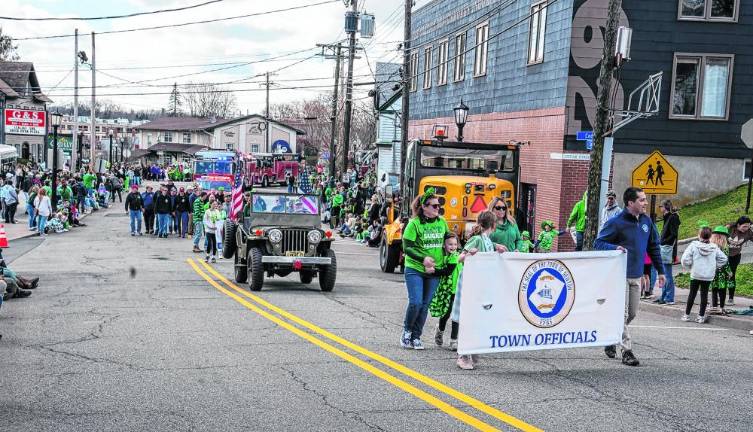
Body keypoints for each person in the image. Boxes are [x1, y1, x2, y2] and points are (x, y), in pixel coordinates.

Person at [595, 187, 665, 367]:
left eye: (645, 199)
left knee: (632, 314)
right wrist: (614, 248)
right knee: (622, 313)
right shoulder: (616, 222)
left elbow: (654, 247)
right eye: (641, 200)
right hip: (619, 276)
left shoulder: (646, 222)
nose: (645, 203)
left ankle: (610, 338)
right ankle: (627, 351)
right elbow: (599, 242)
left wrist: (661, 271)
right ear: (630, 203)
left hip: (637, 275)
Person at [451, 211, 505, 370]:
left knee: (478, 318)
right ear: (493, 225)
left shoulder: (488, 240)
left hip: (481, 283)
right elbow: (459, 258)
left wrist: (497, 249)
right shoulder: (476, 239)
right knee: (468, 317)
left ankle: (472, 349)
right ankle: (463, 354)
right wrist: (469, 253)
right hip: (470, 282)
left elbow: (489, 253)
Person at [400, 188, 448, 350]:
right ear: (424, 207)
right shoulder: (413, 224)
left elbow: (449, 241)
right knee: (416, 302)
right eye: (434, 206)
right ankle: (407, 331)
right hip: (415, 268)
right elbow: (407, 248)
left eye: (439, 205)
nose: (438, 208)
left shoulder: (442, 222)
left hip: (434, 270)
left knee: (425, 304)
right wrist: (423, 258)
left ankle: (416, 336)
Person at [680, 224, 728, 323]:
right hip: (708, 275)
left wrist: (689, 267)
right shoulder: (714, 247)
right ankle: (701, 317)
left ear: (699, 235)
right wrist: (714, 266)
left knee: (692, 294)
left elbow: (685, 259)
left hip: (696, 273)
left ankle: (686, 315)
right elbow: (724, 259)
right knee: (704, 295)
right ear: (710, 236)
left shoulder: (693, 245)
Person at [429, 233, 462, 351]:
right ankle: (440, 330)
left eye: (455, 244)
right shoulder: (440, 257)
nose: (453, 247)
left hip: (457, 289)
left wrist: (433, 271)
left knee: (456, 315)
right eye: (450, 244)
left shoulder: (456, 256)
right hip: (445, 289)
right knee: (446, 313)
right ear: (444, 245)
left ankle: (454, 340)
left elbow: (448, 271)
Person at [656, 200, 680, 305]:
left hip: (668, 248)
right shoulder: (667, 217)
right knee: (664, 273)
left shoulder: (673, 218)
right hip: (665, 247)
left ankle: (669, 297)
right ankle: (664, 296)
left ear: (665, 207)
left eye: (661, 206)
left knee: (667, 274)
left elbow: (674, 234)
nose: (660, 208)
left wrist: (663, 241)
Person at [726, 216, 752, 305]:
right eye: (744, 226)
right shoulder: (729, 228)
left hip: (735, 256)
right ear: (738, 225)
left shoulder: (749, 232)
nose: (746, 228)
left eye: (748, 226)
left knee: (731, 276)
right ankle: (718, 295)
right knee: (720, 275)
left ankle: (730, 298)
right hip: (722, 255)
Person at [709, 226, 733, 315]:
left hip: (712, 272)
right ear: (722, 236)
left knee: (714, 289)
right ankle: (721, 307)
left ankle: (714, 307)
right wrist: (729, 271)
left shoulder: (710, 246)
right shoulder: (725, 248)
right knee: (722, 290)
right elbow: (725, 261)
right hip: (722, 273)